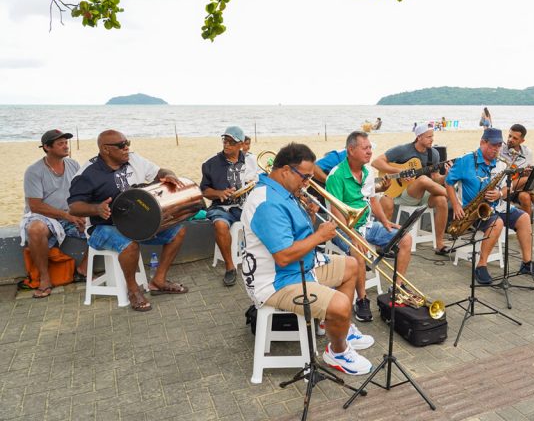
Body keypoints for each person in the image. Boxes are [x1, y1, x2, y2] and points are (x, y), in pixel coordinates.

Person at [240, 143, 374, 375]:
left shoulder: (285, 192)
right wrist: (320, 235)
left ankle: (334, 324)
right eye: (305, 177)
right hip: (276, 281)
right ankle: (338, 351)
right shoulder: (267, 203)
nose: (308, 183)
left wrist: (310, 218)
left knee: (352, 265)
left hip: (301, 266)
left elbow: (297, 237)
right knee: (342, 305)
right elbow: (283, 256)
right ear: (284, 171)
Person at [68, 130, 189, 312]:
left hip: (136, 223)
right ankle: (133, 290)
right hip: (101, 228)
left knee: (178, 230)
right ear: (106, 149)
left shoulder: (134, 159)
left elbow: (159, 171)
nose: (127, 148)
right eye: (121, 146)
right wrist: (96, 209)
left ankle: (159, 280)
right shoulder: (88, 174)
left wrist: (170, 174)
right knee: (129, 244)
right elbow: (74, 206)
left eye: (127, 143)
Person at [325, 131, 412, 323]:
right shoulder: (336, 175)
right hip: (341, 227)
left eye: (370, 147)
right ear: (351, 150)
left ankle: (397, 288)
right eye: (365, 148)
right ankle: (362, 299)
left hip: (367, 224)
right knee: (358, 250)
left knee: (405, 238)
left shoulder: (367, 172)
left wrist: (385, 221)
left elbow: (372, 200)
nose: (370, 152)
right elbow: (335, 212)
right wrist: (353, 235)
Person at [445, 128, 534, 284]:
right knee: (497, 222)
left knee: (525, 218)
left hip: (498, 205)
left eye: (499, 145)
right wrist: (456, 205)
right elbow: (448, 182)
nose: (496, 149)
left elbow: (509, 188)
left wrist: (500, 194)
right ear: (482, 142)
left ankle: (527, 263)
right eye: (493, 145)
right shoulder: (466, 160)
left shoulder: (501, 163)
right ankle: (481, 265)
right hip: (474, 211)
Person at [20, 129, 88, 298]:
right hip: (44, 215)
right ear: (47, 147)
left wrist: (81, 212)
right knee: (35, 229)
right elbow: (35, 206)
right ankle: (45, 279)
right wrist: (67, 216)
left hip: (70, 213)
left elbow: (80, 193)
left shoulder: (73, 164)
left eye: (66, 142)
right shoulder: (34, 171)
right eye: (60, 143)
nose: (66, 146)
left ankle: (84, 269)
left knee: (101, 223)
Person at [371, 123, 451, 254]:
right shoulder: (403, 150)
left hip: (422, 194)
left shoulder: (434, 154)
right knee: (423, 180)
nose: (432, 139)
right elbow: (376, 162)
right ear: (419, 137)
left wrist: (445, 177)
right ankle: (454, 198)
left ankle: (440, 244)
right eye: (428, 136)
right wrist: (400, 171)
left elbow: (435, 178)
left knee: (441, 199)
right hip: (403, 194)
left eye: (433, 136)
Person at [200, 126, 259, 286]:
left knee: (267, 218)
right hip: (222, 208)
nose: (226, 145)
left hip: (246, 206)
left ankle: (262, 261)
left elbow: (257, 180)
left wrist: (252, 184)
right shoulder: (210, 164)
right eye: (225, 141)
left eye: (231, 142)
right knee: (220, 225)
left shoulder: (251, 160)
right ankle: (230, 267)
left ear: (241, 144)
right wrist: (219, 193)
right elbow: (204, 190)